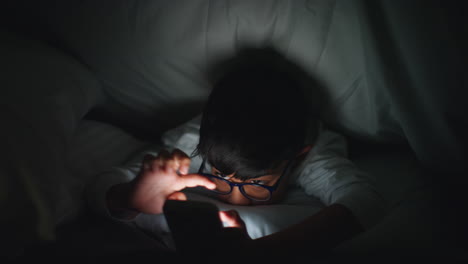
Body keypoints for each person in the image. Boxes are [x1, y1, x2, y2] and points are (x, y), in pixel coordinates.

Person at [86, 48, 387, 258]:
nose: (234, 199)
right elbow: (101, 186)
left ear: (298, 156)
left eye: (256, 185)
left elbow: (365, 200)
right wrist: (132, 197)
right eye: (222, 180)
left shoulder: (311, 152)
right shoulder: (194, 140)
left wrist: (259, 254)